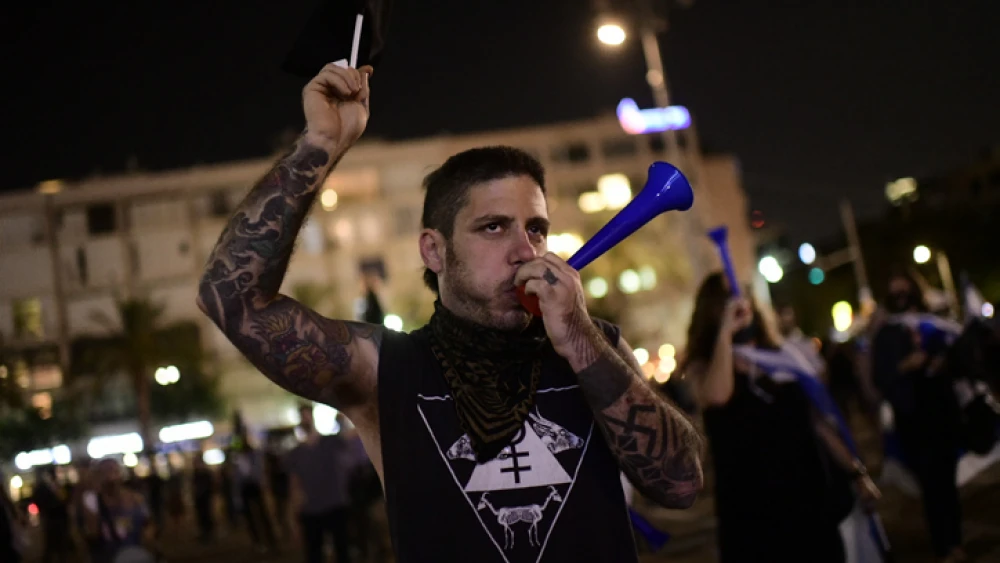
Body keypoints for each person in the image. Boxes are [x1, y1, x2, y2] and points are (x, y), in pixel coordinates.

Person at [196, 63, 705, 562]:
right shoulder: (384, 369)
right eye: (493, 227)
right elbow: (231, 298)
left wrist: (579, 339)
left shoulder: (595, 350)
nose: (525, 251)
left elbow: (681, 483)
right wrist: (320, 143)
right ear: (433, 251)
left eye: (536, 228)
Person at [682, 273, 880, 563]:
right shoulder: (703, 366)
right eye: (726, 299)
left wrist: (856, 472)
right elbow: (718, 396)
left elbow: (818, 423)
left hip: (808, 495)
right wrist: (726, 333)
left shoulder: (783, 356)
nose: (736, 302)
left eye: (741, 294)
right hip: (751, 509)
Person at [872, 269, 965, 563]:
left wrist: (941, 363)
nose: (902, 298)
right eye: (895, 293)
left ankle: (956, 542)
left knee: (947, 482)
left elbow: (958, 356)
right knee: (930, 485)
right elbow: (881, 376)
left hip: (942, 412)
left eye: (906, 291)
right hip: (913, 419)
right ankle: (944, 547)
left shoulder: (934, 324)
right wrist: (905, 366)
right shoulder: (886, 334)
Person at [285, 404, 354, 563]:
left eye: (307, 415)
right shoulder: (296, 453)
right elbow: (294, 484)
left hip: (335, 504)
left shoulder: (331, 442)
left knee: (343, 550)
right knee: (314, 554)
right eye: (303, 416)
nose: (306, 419)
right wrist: (293, 515)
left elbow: (350, 438)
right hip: (311, 510)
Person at [80, 458, 156, 563]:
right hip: (110, 556)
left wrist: (147, 540)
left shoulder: (136, 498)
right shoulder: (93, 500)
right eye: (106, 472)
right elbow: (93, 533)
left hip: (135, 552)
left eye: (114, 471)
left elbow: (148, 524)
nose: (111, 477)